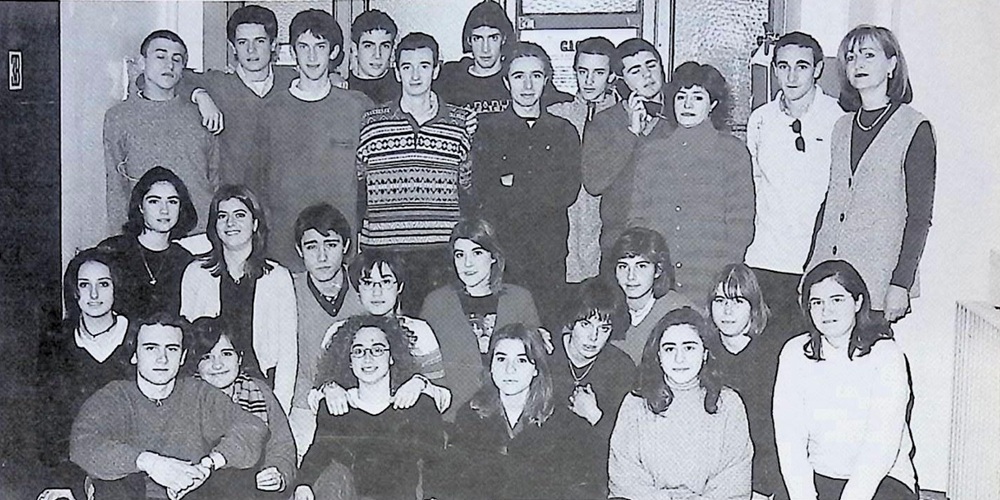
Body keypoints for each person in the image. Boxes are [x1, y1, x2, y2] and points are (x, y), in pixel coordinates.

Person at [806, 25, 936, 323]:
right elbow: (832, 201)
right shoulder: (841, 127)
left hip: (877, 279)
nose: (858, 64)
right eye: (851, 58)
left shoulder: (914, 128)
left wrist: (901, 283)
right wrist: (810, 264)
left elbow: (919, 217)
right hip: (827, 276)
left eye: (868, 55)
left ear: (892, 64)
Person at [69, 312, 267, 500]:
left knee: (234, 477)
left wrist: (208, 465)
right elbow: (82, 442)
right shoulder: (114, 397)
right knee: (113, 483)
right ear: (134, 355)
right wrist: (150, 462)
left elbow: (252, 427)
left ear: (182, 357)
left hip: (188, 495)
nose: (162, 358)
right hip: (130, 494)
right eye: (151, 348)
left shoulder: (199, 394)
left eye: (172, 349)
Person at [773, 260, 917, 500]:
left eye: (837, 300)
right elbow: (789, 440)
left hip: (881, 478)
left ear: (858, 302)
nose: (826, 311)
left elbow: (880, 448)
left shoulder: (886, 355)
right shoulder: (794, 353)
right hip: (819, 474)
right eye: (816, 302)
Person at [356, 32, 475, 314]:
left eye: (424, 66)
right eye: (407, 67)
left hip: (439, 252)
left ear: (436, 70)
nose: (415, 75)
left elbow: (467, 186)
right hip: (385, 251)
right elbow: (360, 184)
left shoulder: (459, 123)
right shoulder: (372, 123)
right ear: (397, 72)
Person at [624, 60, 755, 300]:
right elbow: (637, 217)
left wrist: (723, 277)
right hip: (659, 278)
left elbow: (741, 223)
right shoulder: (652, 152)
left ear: (713, 104)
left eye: (697, 97)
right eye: (681, 97)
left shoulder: (732, 151)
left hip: (708, 277)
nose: (687, 105)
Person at [472, 41, 581, 328]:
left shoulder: (563, 131)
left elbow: (566, 191)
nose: (528, 85)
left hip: (549, 254)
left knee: (547, 331)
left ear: (546, 80)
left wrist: (514, 181)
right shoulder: (489, 131)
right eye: (519, 76)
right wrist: (538, 182)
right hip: (505, 254)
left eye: (536, 75)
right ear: (507, 82)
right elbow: (485, 191)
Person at [745, 31, 845, 340]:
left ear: (817, 69)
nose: (791, 76)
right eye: (783, 66)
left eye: (801, 66)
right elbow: (755, 183)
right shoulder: (760, 120)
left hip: (815, 262)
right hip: (765, 259)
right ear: (774, 69)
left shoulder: (838, 119)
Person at [257, 9, 374, 269]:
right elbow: (258, 181)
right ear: (292, 52)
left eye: (320, 47)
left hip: (342, 250)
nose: (312, 57)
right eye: (304, 47)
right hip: (284, 249)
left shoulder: (357, 107)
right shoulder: (272, 110)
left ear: (333, 52)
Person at [608, 307, 753, 499]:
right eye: (669, 349)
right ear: (658, 356)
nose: (679, 358)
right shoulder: (635, 403)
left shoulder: (729, 404)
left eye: (689, 347)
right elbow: (624, 475)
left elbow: (734, 479)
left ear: (705, 353)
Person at [296, 315, 444, 500]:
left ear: (392, 357)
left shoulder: (420, 406)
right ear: (349, 361)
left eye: (377, 349)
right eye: (358, 351)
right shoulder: (335, 407)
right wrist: (303, 486)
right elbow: (318, 453)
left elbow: (437, 464)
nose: (368, 358)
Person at [180, 185, 297, 413]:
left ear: (255, 224)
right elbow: (190, 344)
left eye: (240, 215)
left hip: (260, 387)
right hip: (209, 388)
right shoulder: (196, 274)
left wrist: (279, 409)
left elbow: (288, 353)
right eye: (222, 216)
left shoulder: (278, 278)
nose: (230, 223)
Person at [419, 217, 541, 422]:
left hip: (511, 419)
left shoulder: (520, 299)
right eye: (460, 255)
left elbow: (535, 363)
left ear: (493, 256)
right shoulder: (436, 303)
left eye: (477, 253)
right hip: (452, 418)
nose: (467, 263)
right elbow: (422, 366)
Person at [37, 249, 133, 500]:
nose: (94, 294)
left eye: (103, 284)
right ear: (74, 291)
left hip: (128, 465)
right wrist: (63, 480)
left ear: (116, 288)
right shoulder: (56, 341)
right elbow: (48, 419)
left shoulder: (138, 337)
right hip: (71, 465)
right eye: (84, 284)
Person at [104, 30, 219, 234]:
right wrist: (120, 239)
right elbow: (116, 186)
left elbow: (215, 178)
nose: (169, 65)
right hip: (146, 237)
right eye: (160, 56)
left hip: (199, 233)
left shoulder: (203, 113)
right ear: (142, 62)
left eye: (177, 59)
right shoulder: (119, 117)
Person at [441, 324, 564, 499]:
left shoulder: (560, 421)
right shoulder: (469, 416)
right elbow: (457, 486)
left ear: (536, 369)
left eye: (521, 360)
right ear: (491, 366)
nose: (509, 369)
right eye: (501, 359)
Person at [581, 38, 673, 266]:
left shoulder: (679, 116)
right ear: (620, 80)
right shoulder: (605, 122)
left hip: (669, 243)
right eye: (635, 71)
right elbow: (594, 183)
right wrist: (631, 132)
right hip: (619, 244)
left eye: (651, 65)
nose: (647, 75)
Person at [286, 203, 366, 457]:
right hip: (304, 403)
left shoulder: (366, 288)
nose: (322, 257)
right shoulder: (287, 289)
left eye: (330, 245)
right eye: (312, 247)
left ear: (345, 246)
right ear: (299, 250)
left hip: (360, 399)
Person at [188, 317, 296, 499]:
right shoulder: (188, 395)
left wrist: (277, 473)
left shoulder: (259, 391)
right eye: (206, 357)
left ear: (239, 358)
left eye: (226, 354)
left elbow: (282, 446)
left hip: (256, 487)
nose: (217, 364)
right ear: (195, 364)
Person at [547, 278, 634, 499]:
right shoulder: (546, 354)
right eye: (585, 324)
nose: (593, 337)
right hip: (546, 469)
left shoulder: (620, 366)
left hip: (596, 476)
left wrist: (595, 416)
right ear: (570, 322)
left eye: (603, 328)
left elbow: (627, 442)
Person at [707, 264, 787, 498]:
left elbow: (776, 435)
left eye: (738, 301)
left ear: (753, 307)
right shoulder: (701, 352)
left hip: (762, 478)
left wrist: (762, 489)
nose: (727, 310)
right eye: (720, 300)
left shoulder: (774, 356)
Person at [548, 36, 620, 283]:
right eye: (582, 72)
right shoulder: (557, 115)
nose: (589, 81)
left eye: (599, 73)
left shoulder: (623, 118)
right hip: (565, 235)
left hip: (608, 235)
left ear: (612, 76)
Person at [435, 0, 570, 115]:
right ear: (469, 40)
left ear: (504, 39)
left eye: (493, 38)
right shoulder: (451, 77)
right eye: (478, 38)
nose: (485, 48)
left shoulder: (518, 75)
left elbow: (564, 103)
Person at [98, 167, 196, 320]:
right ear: (140, 207)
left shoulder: (185, 260)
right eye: (154, 201)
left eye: (172, 201)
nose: (164, 210)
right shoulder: (113, 251)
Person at [608, 227, 695, 364]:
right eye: (623, 266)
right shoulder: (605, 307)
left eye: (641, 266)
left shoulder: (678, 309)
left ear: (658, 270)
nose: (631, 276)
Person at [347, 9, 400, 104]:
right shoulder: (343, 89)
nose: (377, 55)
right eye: (368, 46)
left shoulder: (404, 87)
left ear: (392, 49)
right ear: (355, 48)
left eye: (385, 46)